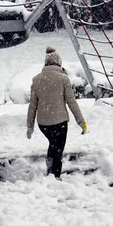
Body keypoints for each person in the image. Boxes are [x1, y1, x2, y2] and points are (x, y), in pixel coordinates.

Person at [26, 47, 88, 179]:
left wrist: (30, 125)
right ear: (59, 63)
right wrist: (81, 121)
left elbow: (33, 105)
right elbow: (71, 102)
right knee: (58, 148)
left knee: (53, 143)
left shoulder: (36, 79)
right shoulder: (63, 79)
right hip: (60, 121)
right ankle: (55, 174)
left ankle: (50, 166)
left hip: (43, 123)